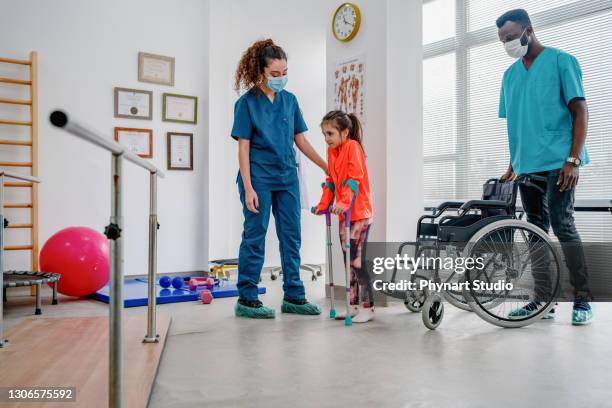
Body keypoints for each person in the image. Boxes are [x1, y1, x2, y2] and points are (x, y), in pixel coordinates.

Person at [496, 9, 593, 325]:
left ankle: (582, 299)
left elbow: (581, 111)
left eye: (511, 37)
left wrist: (573, 160)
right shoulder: (509, 76)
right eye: (502, 40)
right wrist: (514, 163)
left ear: (528, 30)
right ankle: (543, 301)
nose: (508, 43)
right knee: (535, 232)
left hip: (559, 163)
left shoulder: (562, 61)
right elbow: (519, 125)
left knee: (563, 227)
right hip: (528, 166)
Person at [231, 39, 327, 319]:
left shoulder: (290, 101)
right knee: (255, 236)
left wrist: (325, 165)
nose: (281, 78)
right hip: (258, 177)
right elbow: (243, 147)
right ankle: (247, 299)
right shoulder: (246, 103)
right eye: (275, 74)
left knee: (291, 236)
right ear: (260, 71)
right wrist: (248, 187)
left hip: (287, 177)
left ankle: (294, 296)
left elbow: (301, 140)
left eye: (285, 72)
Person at [315, 111, 374, 323]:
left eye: (330, 133)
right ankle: (353, 306)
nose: (326, 138)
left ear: (345, 132)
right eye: (324, 134)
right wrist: (323, 205)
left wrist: (343, 202)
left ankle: (368, 307)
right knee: (348, 263)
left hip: (359, 213)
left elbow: (353, 179)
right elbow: (331, 181)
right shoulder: (333, 152)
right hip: (344, 214)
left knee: (357, 262)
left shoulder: (352, 147)